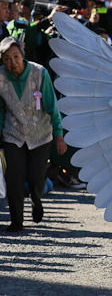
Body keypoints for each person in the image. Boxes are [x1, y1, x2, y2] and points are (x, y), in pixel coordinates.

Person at [0, 37, 67, 232]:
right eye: (7, 59)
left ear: (23, 54)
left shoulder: (40, 73)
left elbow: (52, 106)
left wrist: (59, 135)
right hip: (13, 134)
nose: (13, 62)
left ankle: (36, 199)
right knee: (14, 176)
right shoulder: (1, 77)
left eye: (16, 57)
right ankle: (16, 221)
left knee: (37, 176)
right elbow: (1, 108)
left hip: (40, 133)